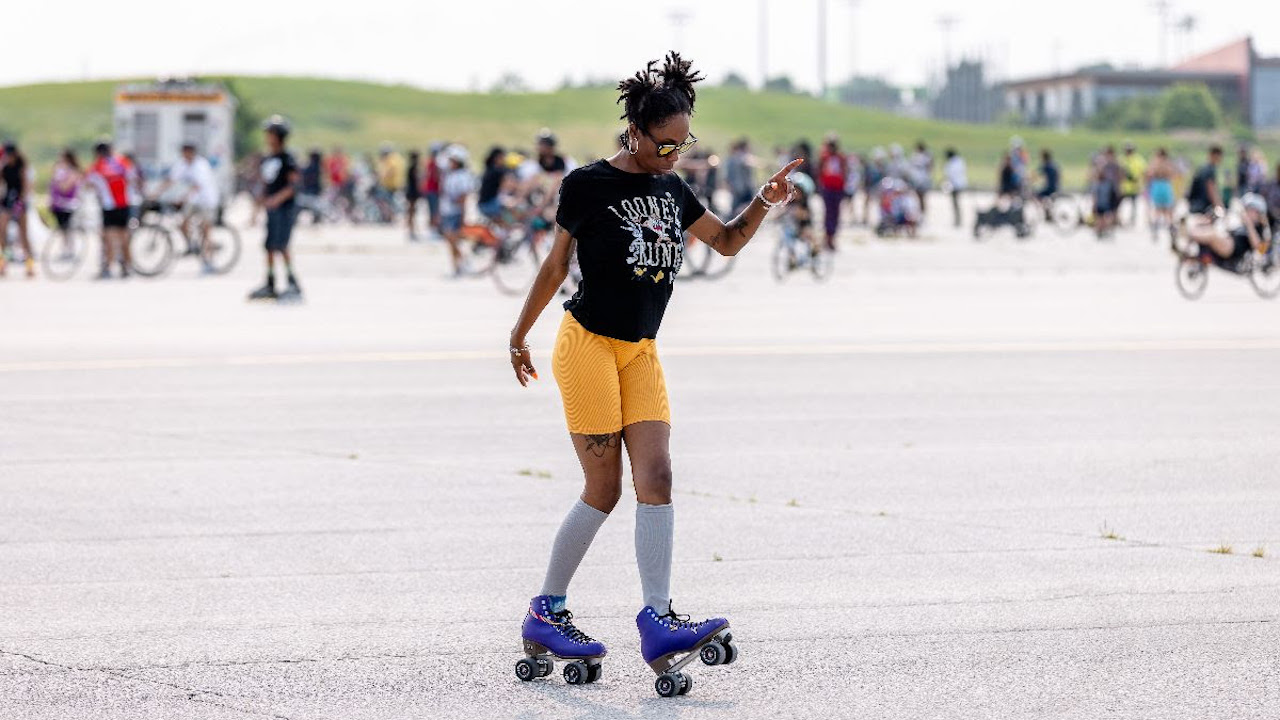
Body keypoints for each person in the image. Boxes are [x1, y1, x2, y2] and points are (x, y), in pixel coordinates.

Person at [506, 52, 798, 691]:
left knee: (659, 475)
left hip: (640, 349)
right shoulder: (586, 184)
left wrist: (765, 202)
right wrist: (520, 333)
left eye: (683, 143)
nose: (673, 155)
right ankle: (545, 610)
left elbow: (723, 241)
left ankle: (659, 619)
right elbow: (557, 266)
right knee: (604, 488)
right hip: (585, 346)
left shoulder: (673, 187)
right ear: (635, 132)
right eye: (664, 144)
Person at [248, 116, 302, 301]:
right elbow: (266, 183)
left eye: (270, 134)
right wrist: (258, 205)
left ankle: (292, 282)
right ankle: (270, 282)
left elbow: (294, 186)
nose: (267, 137)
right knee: (270, 246)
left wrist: (277, 199)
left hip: (284, 208)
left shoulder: (288, 159)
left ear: (279, 136)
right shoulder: (268, 159)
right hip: (271, 209)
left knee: (282, 246)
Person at [153, 142, 222, 270]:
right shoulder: (182, 164)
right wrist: (156, 193)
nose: (184, 155)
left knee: (206, 230)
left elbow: (198, 186)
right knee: (182, 223)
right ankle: (191, 245)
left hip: (207, 200)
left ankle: (209, 261)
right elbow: (171, 180)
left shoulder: (201, 165)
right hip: (194, 200)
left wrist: (182, 198)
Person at [84, 141, 135, 279]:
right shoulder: (122, 161)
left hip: (108, 205)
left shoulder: (97, 166)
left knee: (108, 237)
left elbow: (88, 184)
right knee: (124, 237)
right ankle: (126, 266)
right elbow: (133, 178)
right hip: (125, 203)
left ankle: (107, 267)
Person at [1185, 192, 1269, 263]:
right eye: (1248, 209)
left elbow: (1258, 247)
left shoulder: (1258, 227)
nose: (1248, 212)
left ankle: (1189, 235)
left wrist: (1249, 224)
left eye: (1252, 210)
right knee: (1206, 223)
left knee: (1213, 234)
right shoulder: (1241, 219)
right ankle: (1189, 237)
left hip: (1233, 248)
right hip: (1226, 237)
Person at [438, 144, 475, 276]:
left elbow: (463, 197)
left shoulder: (463, 176)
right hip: (447, 211)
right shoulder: (450, 175)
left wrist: (463, 215)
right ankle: (456, 266)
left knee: (453, 239)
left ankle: (463, 263)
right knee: (450, 241)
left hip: (455, 212)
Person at [0, 141, 35, 277]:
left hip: (19, 202)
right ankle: (3, 262)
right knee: (2, 232)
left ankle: (30, 264)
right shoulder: (4, 168)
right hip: (7, 201)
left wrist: (21, 203)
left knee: (23, 235)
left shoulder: (22, 167)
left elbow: (27, 187)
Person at [48, 148, 83, 259]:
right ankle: (65, 249)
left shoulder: (73, 171)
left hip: (68, 204)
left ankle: (70, 249)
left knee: (68, 228)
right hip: (58, 204)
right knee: (62, 229)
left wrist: (58, 181)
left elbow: (65, 188)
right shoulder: (60, 171)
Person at [817, 135, 847, 250]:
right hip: (828, 188)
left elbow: (844, 172)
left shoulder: (840, 158)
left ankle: (832, 236)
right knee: (828, 213)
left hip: (837, 188)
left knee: (835, 213)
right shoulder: (824, 157)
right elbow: (820, 171)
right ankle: (828, 236)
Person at [1186, 145, 1224, 219]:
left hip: (1194, 205)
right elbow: (1211, 189)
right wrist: (1219, 206)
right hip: (1202, 207)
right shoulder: (1210, 169)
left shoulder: (1202, 168)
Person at [1147, 148, 1177, 238]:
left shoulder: (1154, 163)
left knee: (1157, 209)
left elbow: (1149, 174)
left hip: (1157, 184)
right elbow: (1173, 174)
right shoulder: (1168, 163)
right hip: (1165, 184)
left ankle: (1156, 226)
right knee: (1168, 209)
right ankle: (1171, 226)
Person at [1118, 143, 1147, 227]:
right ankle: (1120, 220)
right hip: (1124, 186)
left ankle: (1131, 220)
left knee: (1133, 205)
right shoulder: (1122, 159)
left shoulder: (1138, 159)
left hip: (1134, 186)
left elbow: (1143, 172)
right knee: (1120, 205)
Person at [724, 138, 755, 217]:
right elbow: (748, 162)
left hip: (738, 187)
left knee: (738, 207)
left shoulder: (731, 159)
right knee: (744, 207)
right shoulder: (740, 157)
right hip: (741, 187)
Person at [477, 146, 508, 221]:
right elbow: (507, 184)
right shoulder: (497, 171)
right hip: (489, 204)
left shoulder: (489, 169)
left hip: (483, 204)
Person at [942, 147, 966, 228]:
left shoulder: (951, 163)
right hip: (959, 184)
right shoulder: (960, 161)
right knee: (956, 203)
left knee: (955, 203)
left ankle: (957, 220)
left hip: (954, 185)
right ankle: (958, 219)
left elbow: (949, 174)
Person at [423, 143, 443, 236]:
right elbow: (435, 177)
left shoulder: (430, 162)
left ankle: (432, 228)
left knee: (432, 210)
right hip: (433, 190)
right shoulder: (435, 163)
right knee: (435, 210)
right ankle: (433, 229)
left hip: (430, 189)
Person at [406, 150, 422, 240]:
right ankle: (411, 229)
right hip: (413, 192)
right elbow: (417, 181)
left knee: (411, 211)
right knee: (412, 212)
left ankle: (411, 229)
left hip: (411, 191)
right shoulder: (414, 168)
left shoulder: (410, 167)